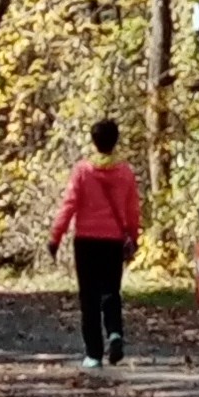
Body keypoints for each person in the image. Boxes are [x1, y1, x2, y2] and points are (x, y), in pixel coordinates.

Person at [52, 117, 142, 370]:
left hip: (86, 241)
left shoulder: (83, 171)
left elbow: (69, 205)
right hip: (113, 240)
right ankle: (114, 332)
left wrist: (55, 236)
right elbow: (133, 209)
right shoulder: (125, 172)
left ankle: (93, 353)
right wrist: (133, 237)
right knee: (111, 291)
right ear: (116, 140)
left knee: (88, 298)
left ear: (93, 141)